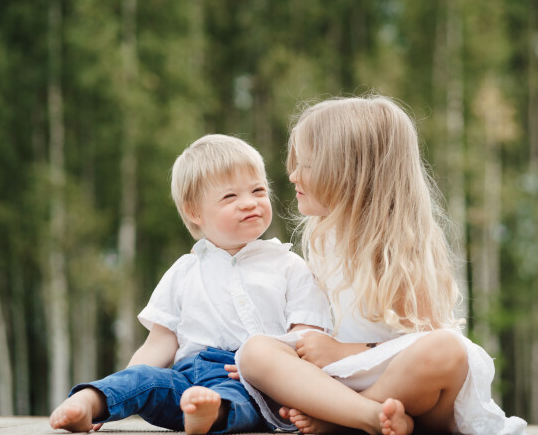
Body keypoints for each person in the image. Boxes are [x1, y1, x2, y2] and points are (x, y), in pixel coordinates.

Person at [235, 96, 527, 435]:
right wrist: (294, 347)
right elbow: (314, 320)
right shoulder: (323, 238)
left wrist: (343, 350)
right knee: (255, 351)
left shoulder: (403, 246)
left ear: (349, 174)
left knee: (445, 350)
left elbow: (424, 337)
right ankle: (368, 416)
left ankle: (342, 420)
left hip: (410, 385)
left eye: (307, 165)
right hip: (344, 376)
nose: (293, 174)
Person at [49, 134, 332, 434]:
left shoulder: (289, 265)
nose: (250, 203)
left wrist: (271, 363)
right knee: (143, 379)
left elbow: (307, 336)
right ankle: (90, 403)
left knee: (241, 402)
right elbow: (159, 344)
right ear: (194, 212)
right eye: (230, 197)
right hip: (185, 379)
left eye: (258, 190)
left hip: (248, 380)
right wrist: (120, 393)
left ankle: (210, 414)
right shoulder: (183, 272)